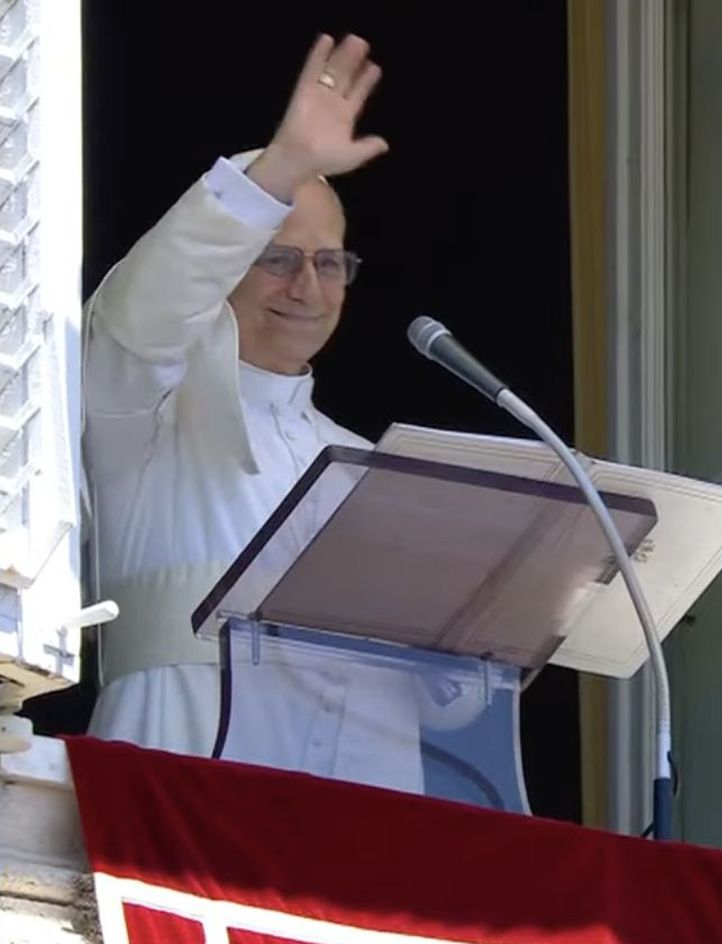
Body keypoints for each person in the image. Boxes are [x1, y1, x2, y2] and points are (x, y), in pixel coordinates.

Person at [81, 33, 458, 793]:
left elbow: (444, 703)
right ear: (229, 265)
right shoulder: (144, 413)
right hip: (180, 814)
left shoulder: (370, 471)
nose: (307, 288)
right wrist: (281, 168)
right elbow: (146, 308)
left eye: (329, 263)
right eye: (278, 257)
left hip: (358, 834)